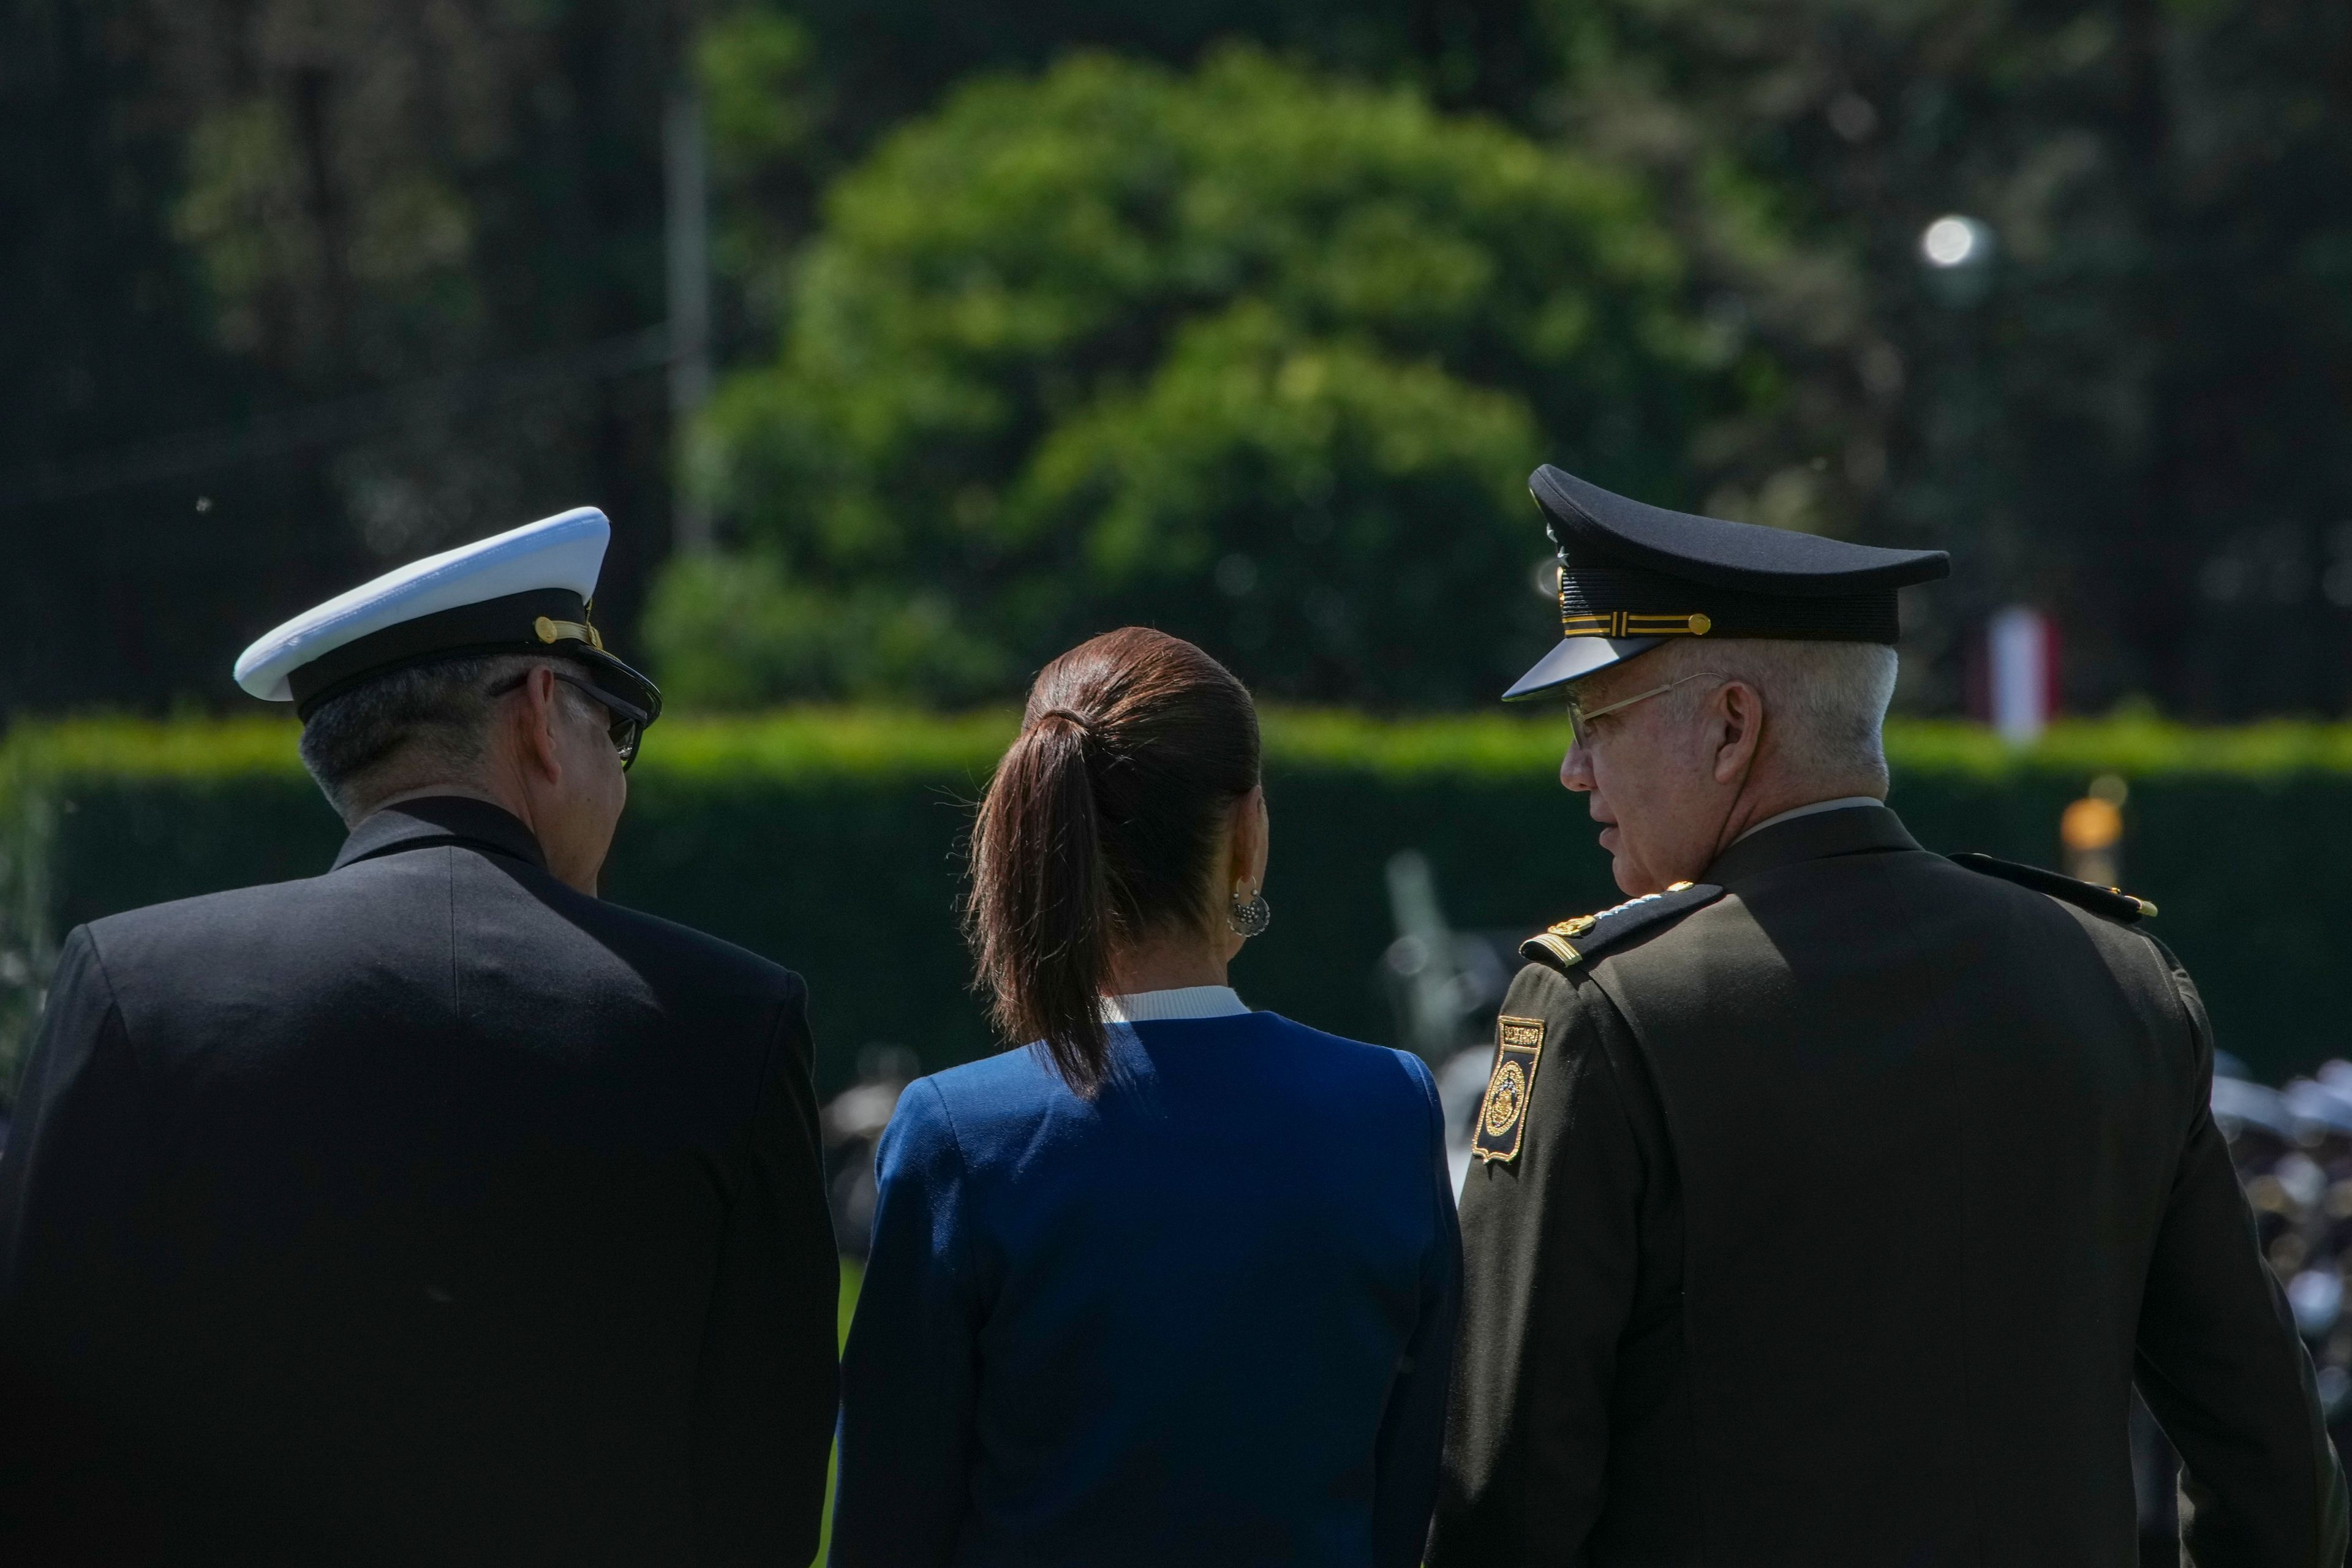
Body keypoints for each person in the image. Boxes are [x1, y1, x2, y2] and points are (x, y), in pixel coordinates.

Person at [1429, 466, 2348, 1567]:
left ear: (1732, 727)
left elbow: (1506, 1499)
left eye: (1597, 716)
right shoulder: (2123, 981)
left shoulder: (1611, 1007)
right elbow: (2276, 1472)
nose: (1577, 769)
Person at [0, 509, 839, 1566]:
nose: (619, 775)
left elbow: (36, 1452)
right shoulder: (730, 1020)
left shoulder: (135, 986)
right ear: (539, 711)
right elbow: (764, 1501)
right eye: (611, 730)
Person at [829, 627, 1461, 1568]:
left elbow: (889, 1523)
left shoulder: (959, 1133)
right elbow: (1413, 1483)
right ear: (1247, 829)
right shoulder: (1389, 1107)